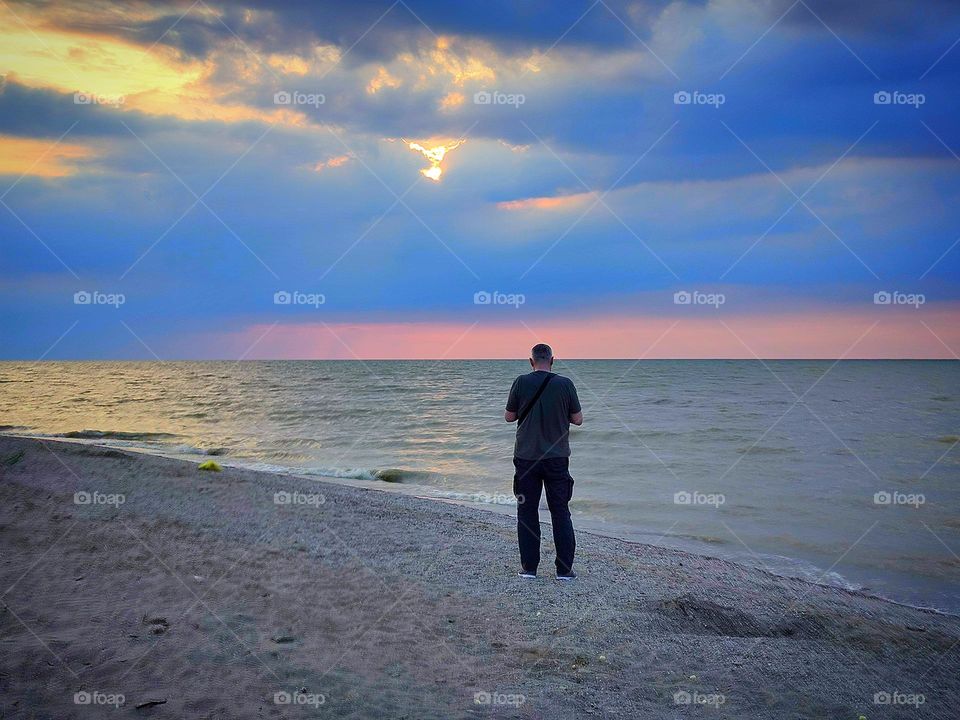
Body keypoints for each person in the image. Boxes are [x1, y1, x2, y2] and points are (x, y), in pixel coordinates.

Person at [504, 343, 583, 580]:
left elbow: (509, 417)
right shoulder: (565, 384)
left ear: (531, 362)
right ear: (552, 360)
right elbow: (578, 420)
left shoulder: (520, 382)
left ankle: (529, 568)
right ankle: (564, 570)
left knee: (527, 511)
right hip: (557, 458)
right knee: (560, 511)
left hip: (526, 458)